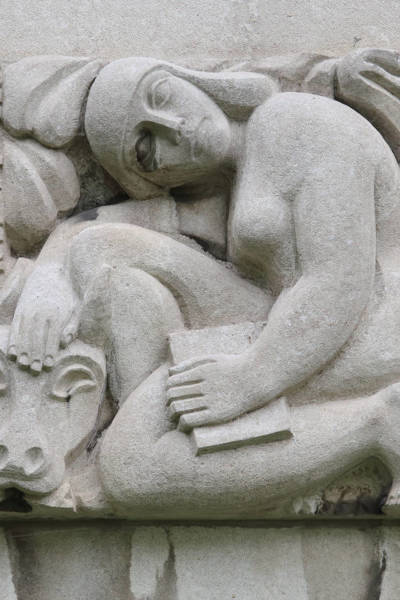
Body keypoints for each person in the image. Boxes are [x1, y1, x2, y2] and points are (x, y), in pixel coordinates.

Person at [7, 57, 400, 514]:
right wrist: (47, 279)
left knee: (133, 469)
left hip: (368, 332)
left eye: (162, 95)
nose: (174, 128)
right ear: (151, 180)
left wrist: (247, 379)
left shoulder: (295, 121)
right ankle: (187, 435)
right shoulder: (224, 187)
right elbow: (94, 232)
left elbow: (337, 284)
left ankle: (377, 422)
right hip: (292, 329)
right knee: (104, 255)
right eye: (146, 148)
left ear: (192, 80)